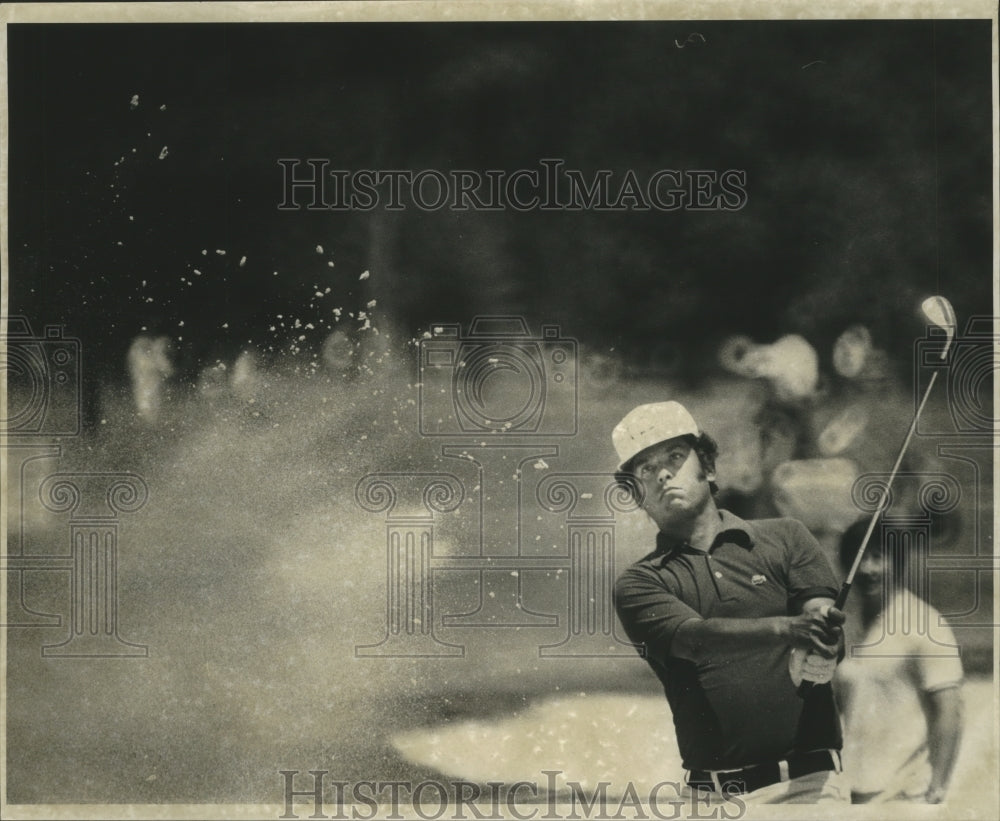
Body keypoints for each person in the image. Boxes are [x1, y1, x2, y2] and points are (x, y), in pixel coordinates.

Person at [612, 400, 849, 804]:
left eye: (674, 457)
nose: (663, 473)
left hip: (810, 790)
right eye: (646, 469)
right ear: (636, 494)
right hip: (712, 799)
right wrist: (787, 628)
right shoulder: (639, 582)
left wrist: (824, 643)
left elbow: (821, 618)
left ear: (708, 466)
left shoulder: (788, 537)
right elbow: (697, 639)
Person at [834, 519, 964, 804]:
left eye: (878, 557)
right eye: (860, 559)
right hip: (849, 793)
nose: (868, 569)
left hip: (905, 794)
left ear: (899, 562)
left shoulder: (925, 623)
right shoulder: (845, 625)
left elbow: (949, 711)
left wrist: (938, 787)